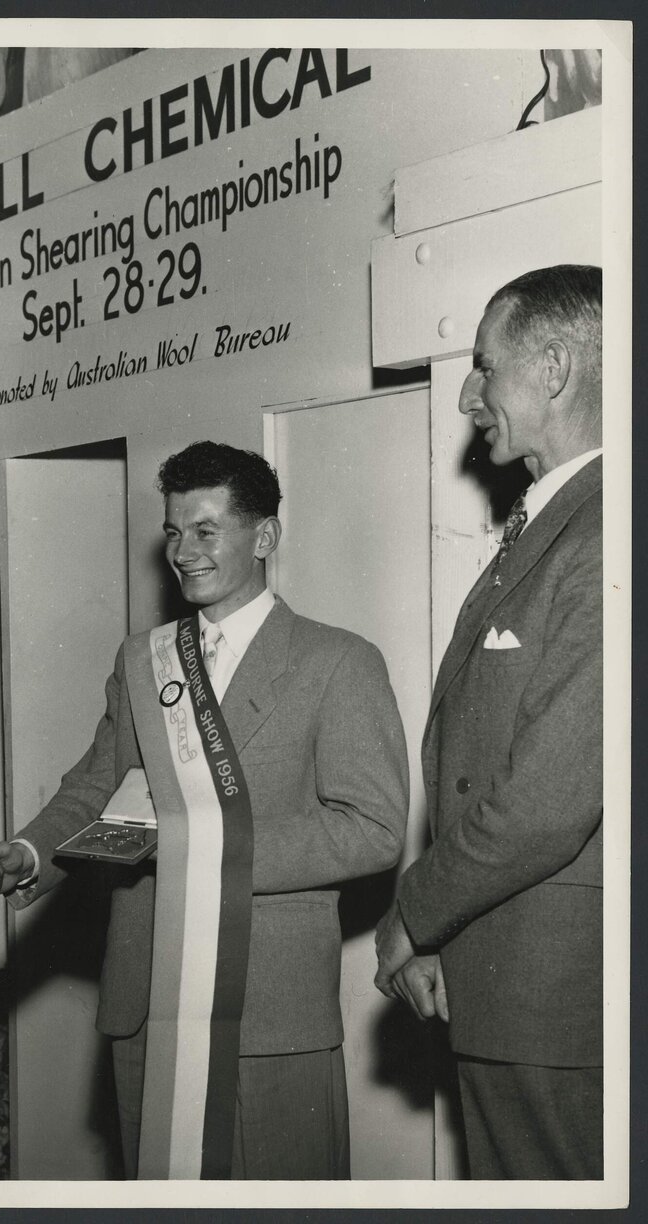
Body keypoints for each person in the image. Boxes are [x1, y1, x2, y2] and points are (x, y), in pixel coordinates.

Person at [0, 441, 409, 1179]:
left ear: (264, 537)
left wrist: (199, 849)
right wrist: (29, 852)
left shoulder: (338, 661)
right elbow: (93, 789)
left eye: (207, 530)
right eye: (174, 532)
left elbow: (371, 829)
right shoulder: (142, 660)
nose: (183, 552)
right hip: (146, 1002)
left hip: (267, 1010)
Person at [374, 265, 603, 1179]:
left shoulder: (604, 532)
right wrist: (452, 937)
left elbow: (547, 801)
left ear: (554, 369)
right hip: (513, 977)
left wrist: (418, 912)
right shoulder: (558, 522)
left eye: (484, 366)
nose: (468, 396)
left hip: (556, 994)